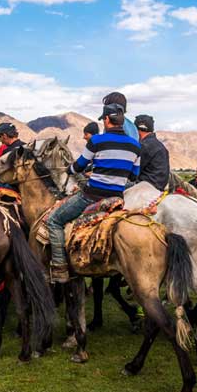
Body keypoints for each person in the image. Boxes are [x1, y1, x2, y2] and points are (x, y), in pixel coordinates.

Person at [46, 104, 140, 283]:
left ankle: (59, 268)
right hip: (117, 200)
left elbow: (79, 166)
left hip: (91, 197)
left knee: (54, 221)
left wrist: (70, 168)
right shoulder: (135, 146)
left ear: (106, 120)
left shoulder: (96, 141)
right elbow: (134, 175)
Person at [134, 114, 170, 190]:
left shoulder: (144, 146)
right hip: (160, 186)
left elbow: (135, 171)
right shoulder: (160, 146)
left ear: (138, 130)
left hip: (146, 185)